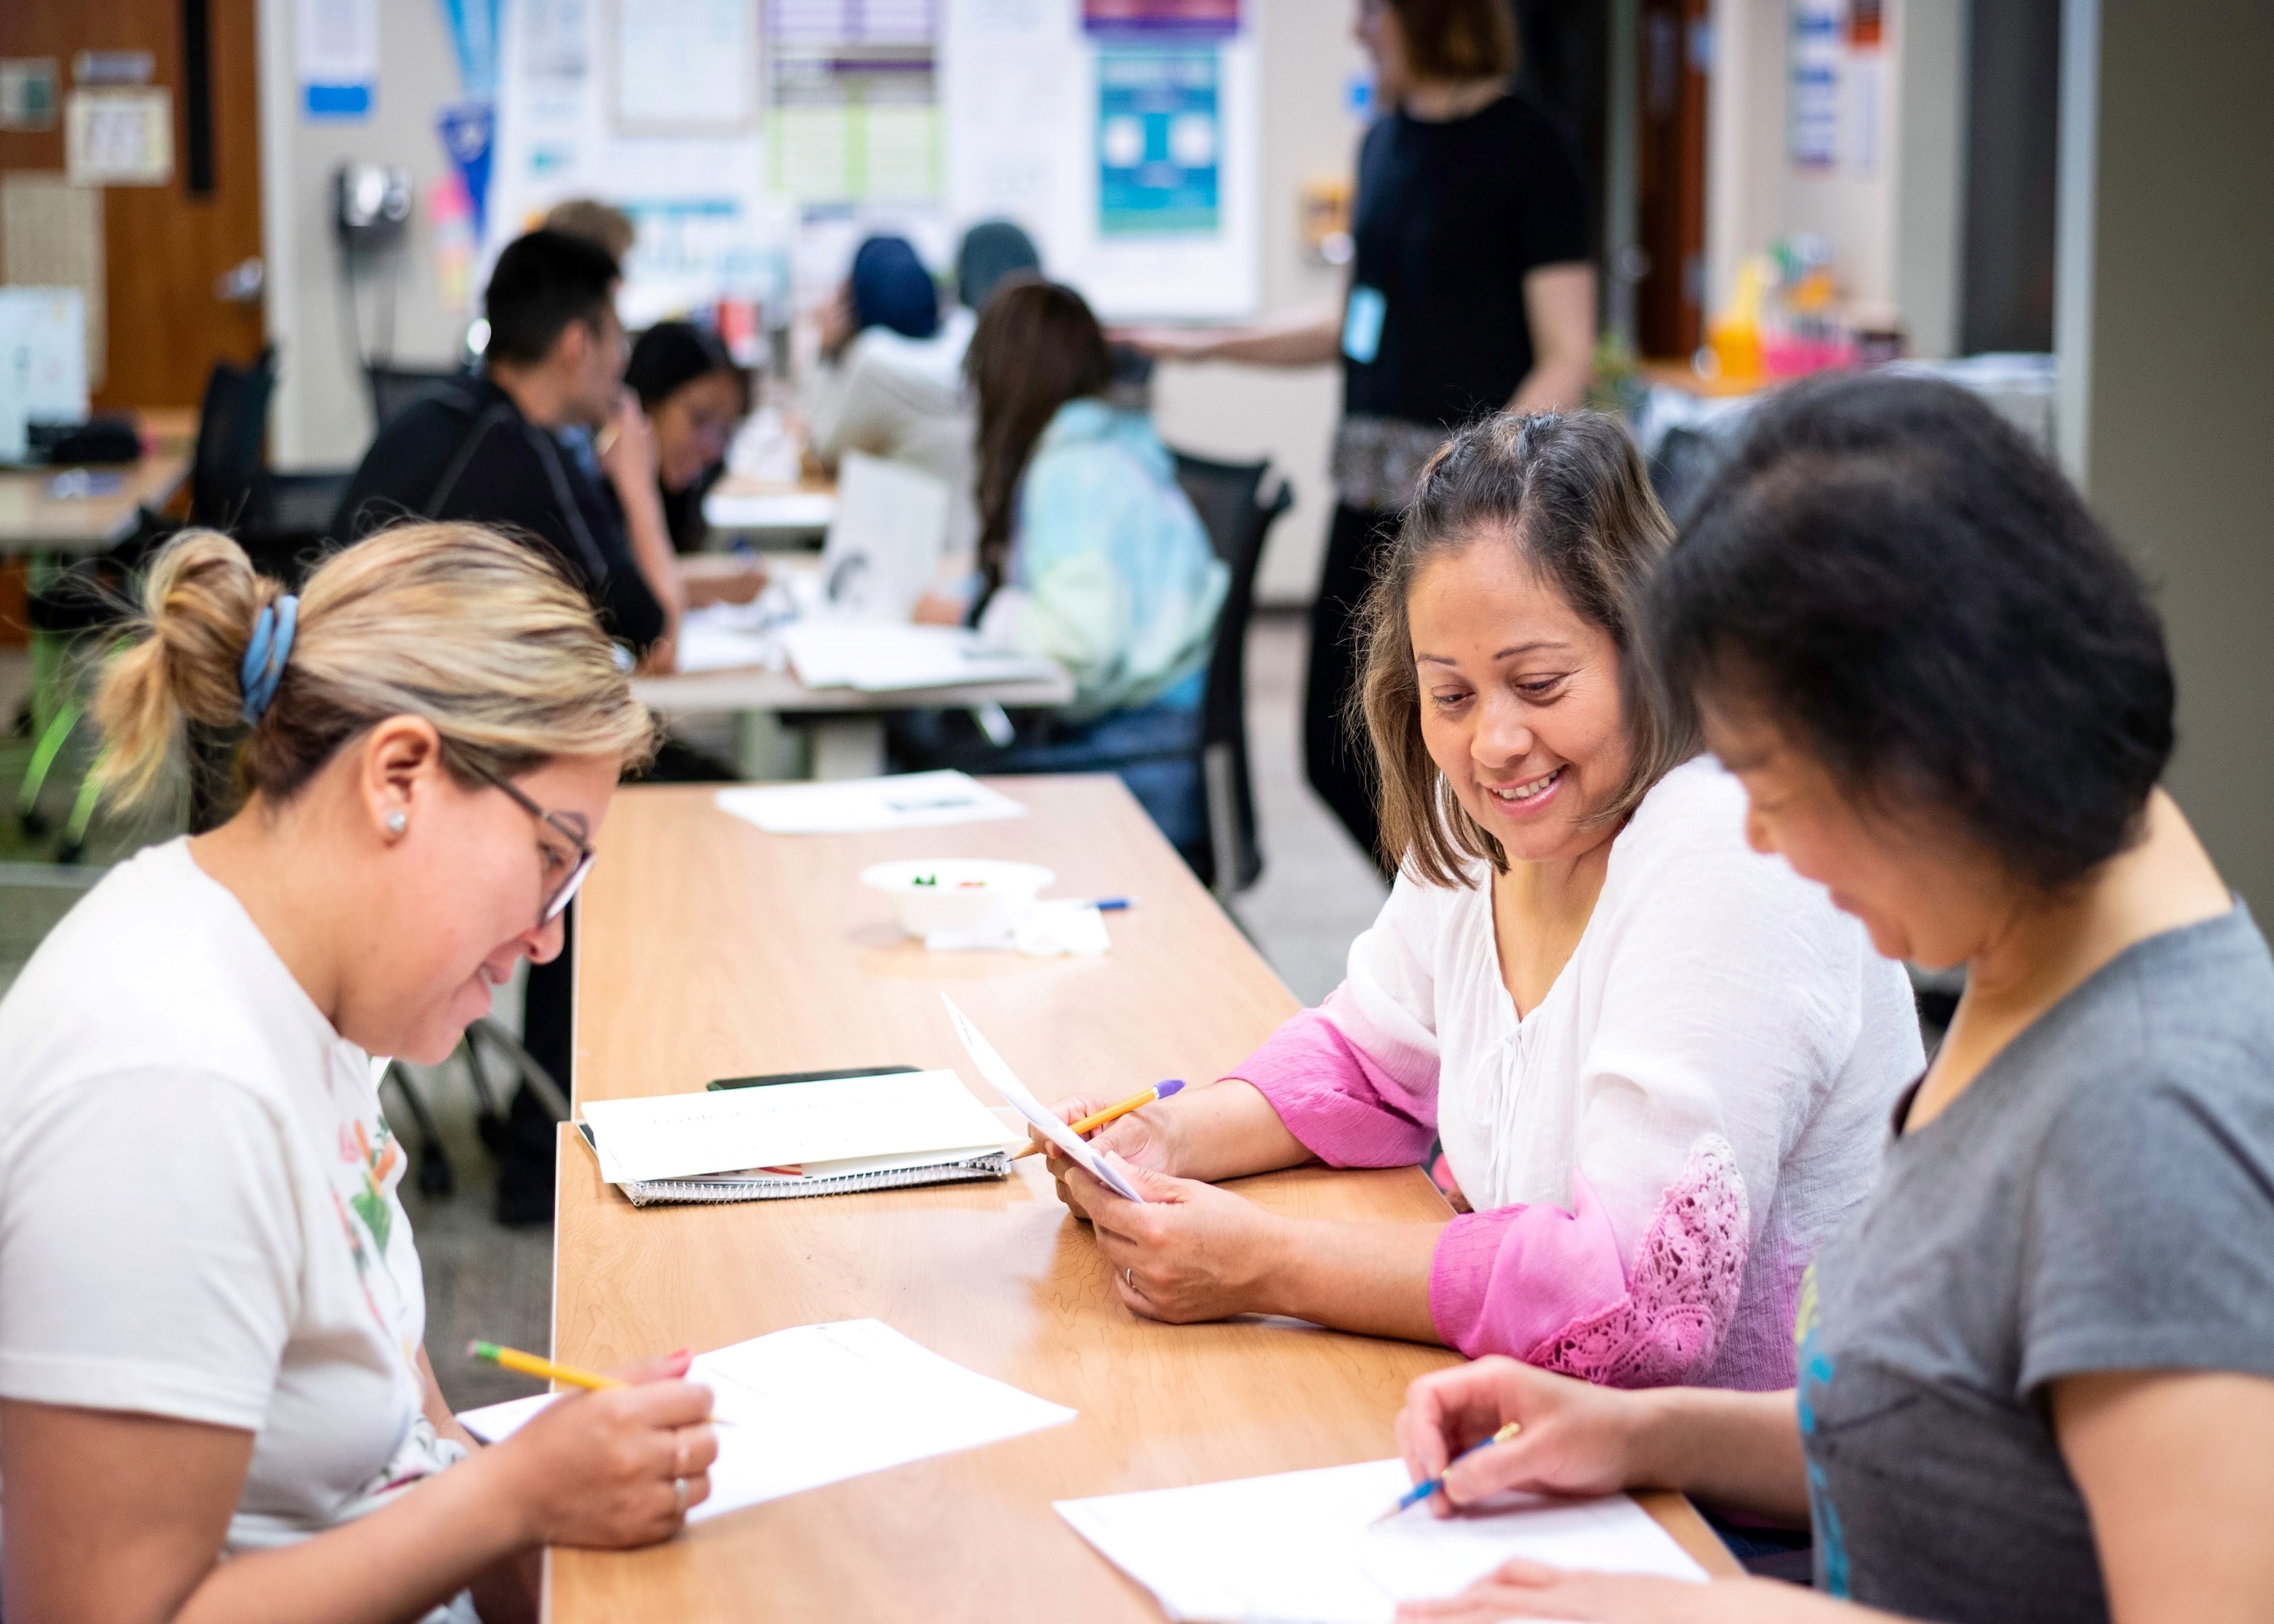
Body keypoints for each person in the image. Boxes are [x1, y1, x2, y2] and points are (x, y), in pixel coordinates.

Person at [1383, 374, 2274, 1624]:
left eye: (1783, 790)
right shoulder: (2033, 967)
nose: (1769, 846)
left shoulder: (2150, 1112)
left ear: (1948, 744)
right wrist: (1647, 1436)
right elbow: (1960, 1457)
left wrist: (1719, 1614)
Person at [1045, 411, 1919, 1408]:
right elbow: (1368, 1059)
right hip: (1551, 1439)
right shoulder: (1489, 834)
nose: (1496, 741)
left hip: (1737, 1515)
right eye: (1450, 697)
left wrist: (1266, 1265)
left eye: (1539, 683)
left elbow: (1636, 1308)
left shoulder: (1727, 846)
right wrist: (1163, 1142)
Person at [0, 523, 719, 1623]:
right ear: (399, 777)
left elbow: (389, 1395)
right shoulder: (168, 1089)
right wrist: (513, 1497)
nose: (547, 939)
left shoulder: (306, 999)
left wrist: (527, 1490)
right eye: (551, 863)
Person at [1124, 0, 1596, 867]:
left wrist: (1481, 468)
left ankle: (1475, 953)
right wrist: (1199, 347)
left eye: (1371, 9)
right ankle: (1447, 933)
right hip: (1366, 502)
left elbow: (1568, 352)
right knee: (1333, 753)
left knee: (1459, 754)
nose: (1357, 30)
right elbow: (1350, 321)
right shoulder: (1382, 144)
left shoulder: (1531, 153)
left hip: (1468, 521)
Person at [892, 279, 1227, 859]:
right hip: (1170, 745)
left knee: (920, 779)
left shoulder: (1072, 474)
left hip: (1142, 761)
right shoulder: (1111, 446)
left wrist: (977, 612)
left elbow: (1079, 648)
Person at [330, 229, 765, 672]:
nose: (622, 362)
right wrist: (638, 482)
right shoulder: (527, 456)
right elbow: (659, 644)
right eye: (617, 338)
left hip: (351, 690)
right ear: (578, 346)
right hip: (384, 707)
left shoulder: (440, 409)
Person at [805, 234, 983, 568]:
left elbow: (825, 445)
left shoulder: (873, 361)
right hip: (970, 549)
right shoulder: (969, 338)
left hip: (904, 555)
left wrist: (825, 353)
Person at [625, 320, 748, 553]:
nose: (713, 449)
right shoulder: (598, 512)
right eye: (699, 419)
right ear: (647, 405)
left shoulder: (682, 505)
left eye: (724, 430)